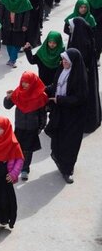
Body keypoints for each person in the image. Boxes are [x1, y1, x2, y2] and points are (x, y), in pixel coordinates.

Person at [45, 49, 88, 184]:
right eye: (63, 60)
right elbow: (55, 86)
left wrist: (61, 100)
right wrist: (44, 89)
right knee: (58, 139)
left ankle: (68, 170)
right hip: (60, 113)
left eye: (67, 61)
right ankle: (60, 161)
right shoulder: (61, 70)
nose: (64, 62)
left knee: (70, 143)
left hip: (74, 117)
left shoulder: (79, 77)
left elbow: (80, 98)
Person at [3, 71, 48, 181]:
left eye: (27, 82)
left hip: (32, 128)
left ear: (32, 83)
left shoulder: (40, 95)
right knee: (17, 148)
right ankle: (14, 167)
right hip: (19, 126)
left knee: (28, 150)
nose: (24, 84)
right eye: (23, 82)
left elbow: (43, 113)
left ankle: (25, 169)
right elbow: (7, 106)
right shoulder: (18, 92)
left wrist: (41, 126)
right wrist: (8, 97)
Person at [67, 17, 102, 133]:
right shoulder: (83, 38)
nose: (69, 28)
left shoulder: (81, 43)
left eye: (71, 26)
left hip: (82, 78)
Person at [0, 0, 32, 68]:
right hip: (7, 25)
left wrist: (25, 24)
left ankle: (12, 59)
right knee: (8, 43)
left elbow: (27, 13)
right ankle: (11, 58)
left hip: (19, 25)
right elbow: (1, 12)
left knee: (17, 43)